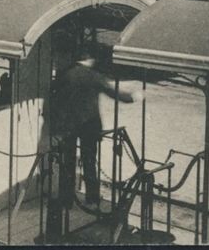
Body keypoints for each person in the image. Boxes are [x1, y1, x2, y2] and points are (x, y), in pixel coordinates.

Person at [53, 47, 142, 206]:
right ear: (90, 60)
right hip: (89, 125)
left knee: (68, 163)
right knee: (89, 161)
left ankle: (66, 199)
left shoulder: (66, 75)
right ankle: (92, 198)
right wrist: (133, 97)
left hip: (69, 126)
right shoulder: (93, 76)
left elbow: (57, 100)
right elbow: (112, 92)